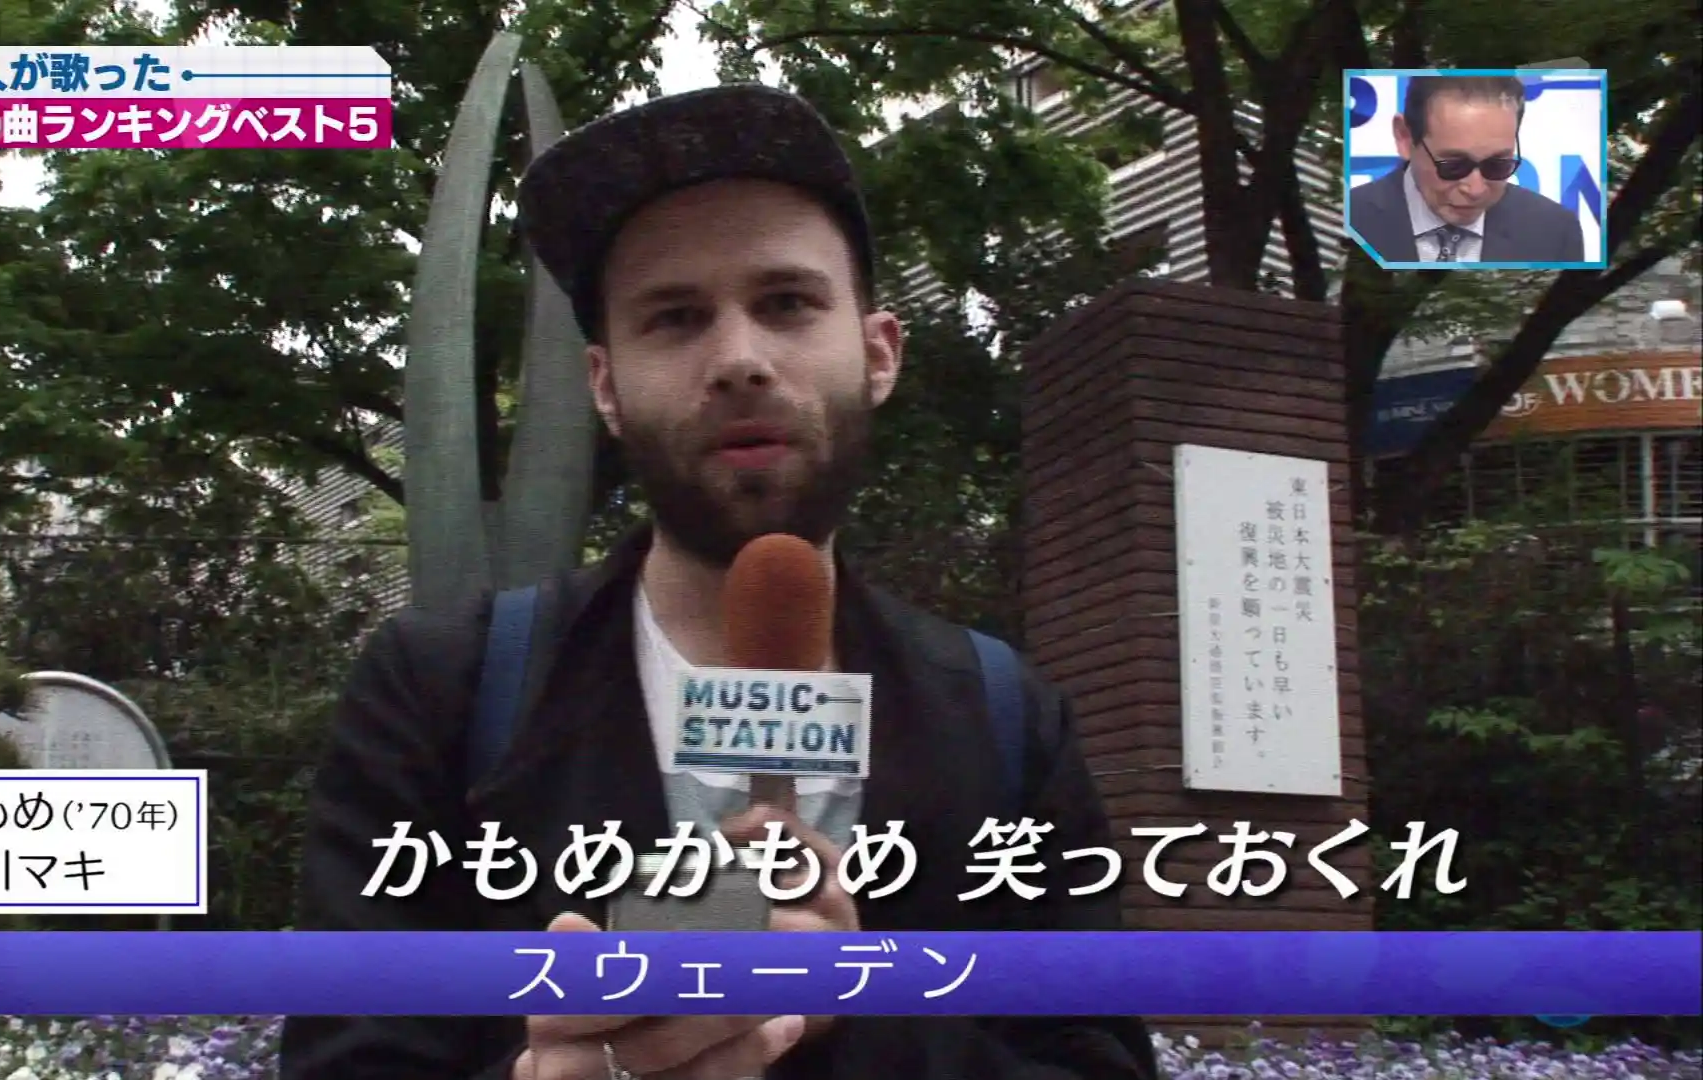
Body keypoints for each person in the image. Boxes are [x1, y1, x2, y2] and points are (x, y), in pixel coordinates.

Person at [279, 83, 1159, 1080]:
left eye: (786, 303)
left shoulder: (1010, 721)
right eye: (676, 317)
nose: (738, 357)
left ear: (878, 352)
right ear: (604, 387)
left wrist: (858, 1009)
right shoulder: (441, 690)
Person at [1347, 74, 1586, 265]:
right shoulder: (1352, 217)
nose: (1476, 190)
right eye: (1454, 166)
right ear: (1405, 138)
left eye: (1497, 165)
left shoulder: (1556, 232)